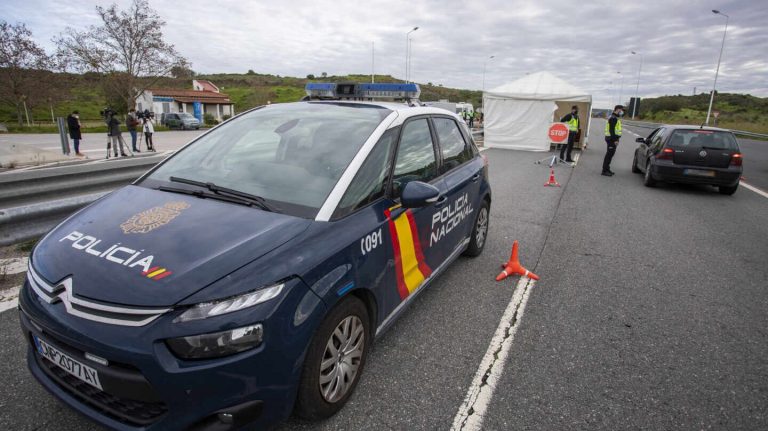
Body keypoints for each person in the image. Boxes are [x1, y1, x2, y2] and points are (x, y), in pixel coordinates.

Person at [603, 104, 624, 176]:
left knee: (611, 154)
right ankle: (604, 171)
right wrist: (615, 140)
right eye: (621, 110)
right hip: (611, 139)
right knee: (609, 155)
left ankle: (607, 169)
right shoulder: (613, 118)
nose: (622, 111)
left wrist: (617, 139)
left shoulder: (615, 117)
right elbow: (611, 130)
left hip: (612, 138)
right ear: (618, 109)